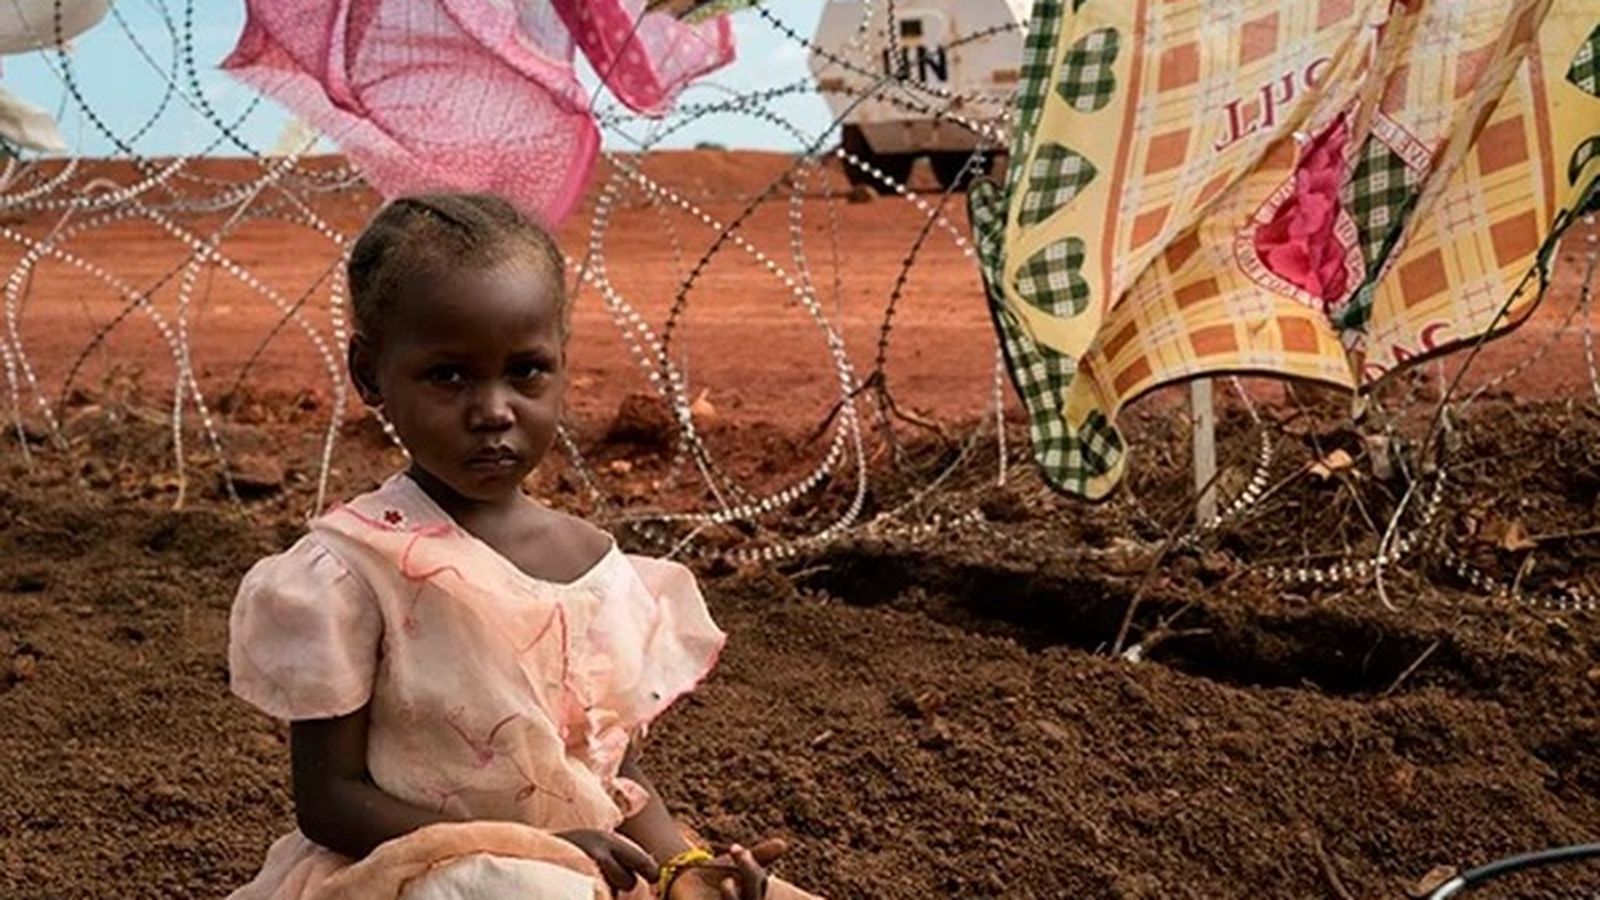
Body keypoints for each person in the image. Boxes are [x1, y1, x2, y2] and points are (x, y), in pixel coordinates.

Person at [226, 193, 817, 900]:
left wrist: (682, 869)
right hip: (426, 875)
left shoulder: (596, 570)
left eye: (527, 370)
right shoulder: (352, 570)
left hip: (580, 869)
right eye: (448, 375)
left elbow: (608, 773)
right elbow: (330, 800)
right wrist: (531, 851)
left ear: (563, 363)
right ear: (369, 374)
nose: (493, 410)